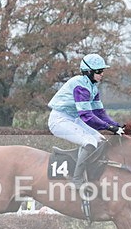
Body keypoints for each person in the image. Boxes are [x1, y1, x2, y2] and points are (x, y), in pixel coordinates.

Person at [47, 53, 125, 186]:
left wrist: (117, 126)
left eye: (102, 71)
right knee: (89, 142)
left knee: (100, 140)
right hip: (59, 120)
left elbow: (99, 113)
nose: (102, 74)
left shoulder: (93, 87)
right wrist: (109, 127)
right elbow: (87, 117)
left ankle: (90, 172)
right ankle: (76, 179)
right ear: (89, 72)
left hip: (73, 118)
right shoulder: (80, 87)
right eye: (99, 71)